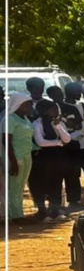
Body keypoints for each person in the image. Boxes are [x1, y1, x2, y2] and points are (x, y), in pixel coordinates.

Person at [31, 99, 72, 223]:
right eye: (53, 109)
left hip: (57, 157)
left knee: (56, 183)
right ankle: (43, 212)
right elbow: (40, 142)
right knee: (42, 184)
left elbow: (67, 139)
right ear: (44, 111)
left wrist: (58, 126)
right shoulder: (36, 123)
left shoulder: (58, 123)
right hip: (42, 158)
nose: (56, 111)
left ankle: (55, 210)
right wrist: (58, 143)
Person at [2, 93, 36, 223]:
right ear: (18, 105)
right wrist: (13, 161)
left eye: (30, 104)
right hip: (16, 157)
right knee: (14, 186)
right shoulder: (10, 119)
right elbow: (6, 142)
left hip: (26, 155)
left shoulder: (25, 119)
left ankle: (19, 213)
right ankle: (15, 216)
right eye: (27, 104)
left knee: (21, 186)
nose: (30, 107)